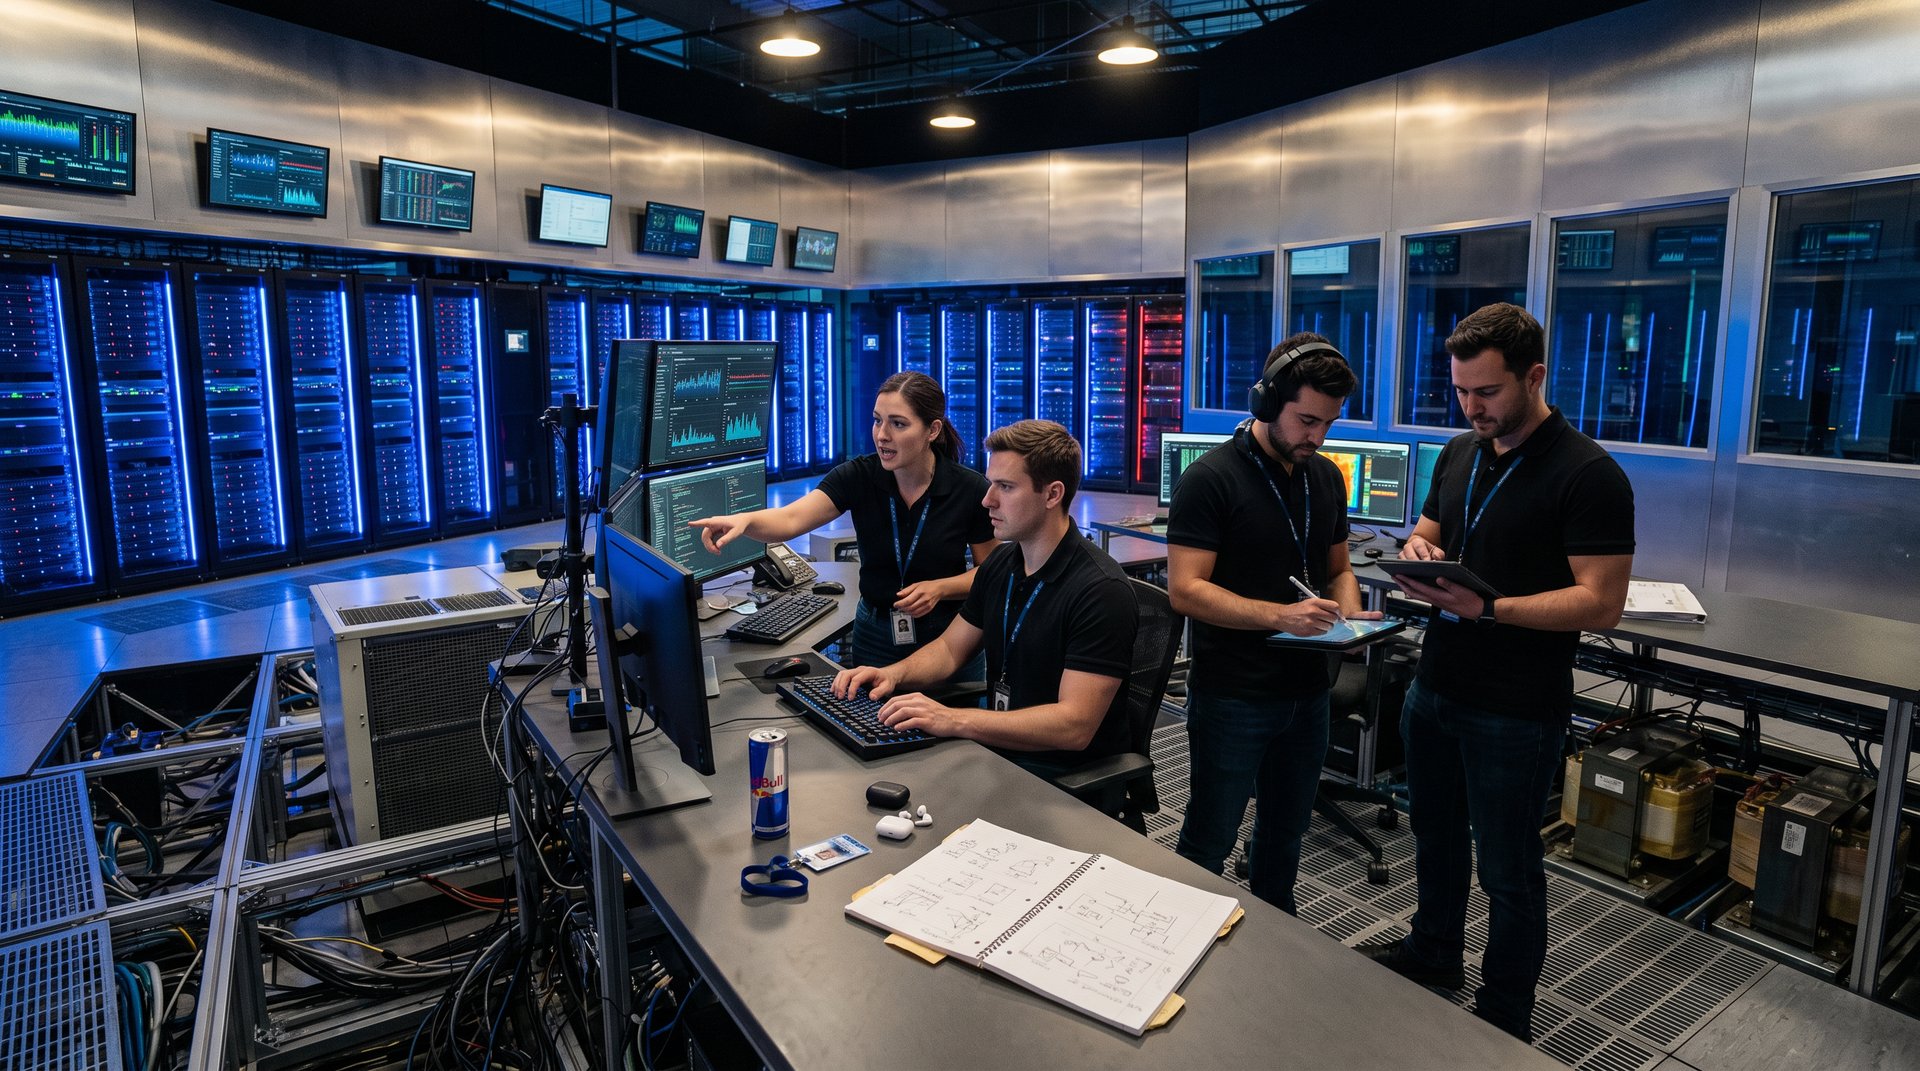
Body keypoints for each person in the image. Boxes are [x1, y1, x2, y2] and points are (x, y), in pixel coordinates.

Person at [1355, 303, 1633, 1042]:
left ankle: (1505, 1013)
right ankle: (1435, 953)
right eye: (1460, 391)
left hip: (1516, 706)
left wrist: (1492, 608)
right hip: (1436, 687)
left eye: (1487, 392)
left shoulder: (1588, 474)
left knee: (1509, 869)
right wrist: (1416, 553)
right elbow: (1430, 530)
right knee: (1436, 838)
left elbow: (1601, 602)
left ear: (1534, 376)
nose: (1471, 407)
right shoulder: (1458, 453)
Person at [1164, 333, 1383, 914]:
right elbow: (1185, 590)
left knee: (1285, 839)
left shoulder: (1325, 478)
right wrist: (1277, 616)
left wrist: (1353, 615)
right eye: (1306, 420)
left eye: (1328, 424)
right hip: (1235, 693)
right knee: (1208, 840)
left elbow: (1338, 570)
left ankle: (1273, 944)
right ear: (1266, 402)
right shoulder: (1210, 480)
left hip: (1309, 691)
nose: (1318, 437)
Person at [832, 420, 1138, 777]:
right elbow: (949, 650)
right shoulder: (1002, 565)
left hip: (1059, 778)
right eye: (991, 482)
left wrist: (953, 719)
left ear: (1053, 495)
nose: (987, 499)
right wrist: (891, 674)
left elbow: (1074, 726)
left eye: (1005, 487)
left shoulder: (1100, 591)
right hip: (998, 756)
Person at [689, 372, 997, 670]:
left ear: (932, 430)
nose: (882, 435)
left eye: (898, 424)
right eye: (878, 420)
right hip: (875, 634)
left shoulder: (969, 489)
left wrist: (941, 588)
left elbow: (991, 572)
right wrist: (743, 522)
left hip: (948, 636)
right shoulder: (858, 475)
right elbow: (791, 519)